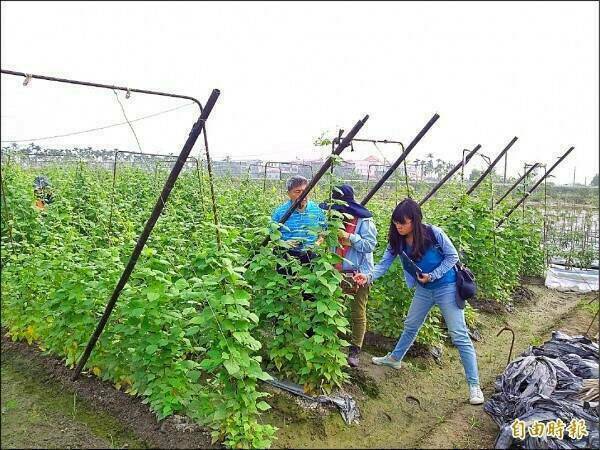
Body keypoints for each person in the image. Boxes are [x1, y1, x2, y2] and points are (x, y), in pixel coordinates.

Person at [353, 197, 484, 405]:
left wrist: (433, 275)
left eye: (402, 223)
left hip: (446, 287)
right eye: (396, 223)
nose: (398, 226)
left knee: (458, 335)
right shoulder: (397, 241)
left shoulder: (434, 233)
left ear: (414, 220)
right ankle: (395, 359)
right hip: (424, 290)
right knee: (411, 325)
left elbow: (452, 257)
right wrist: (367, 276)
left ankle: (474, 386)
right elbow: (383, 265)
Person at [320, 184, 377, 367]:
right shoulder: (331, 220)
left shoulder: (364, 222)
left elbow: (369, 245)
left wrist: (350, 237)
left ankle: (355, 349)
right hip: (336, 272)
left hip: (359, 273)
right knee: (333, 308)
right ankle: (333, 344)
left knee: (357, 312)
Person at [271, 175, 326, 268]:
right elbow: (272, 235)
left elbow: (323, 231)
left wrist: (317, 244)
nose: (303, 195)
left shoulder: (317, 210)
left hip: (310, 254)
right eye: (297, 191)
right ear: (288, 193)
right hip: (287, 255)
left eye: (305, 191)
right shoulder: (280, 212)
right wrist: (284, 243)